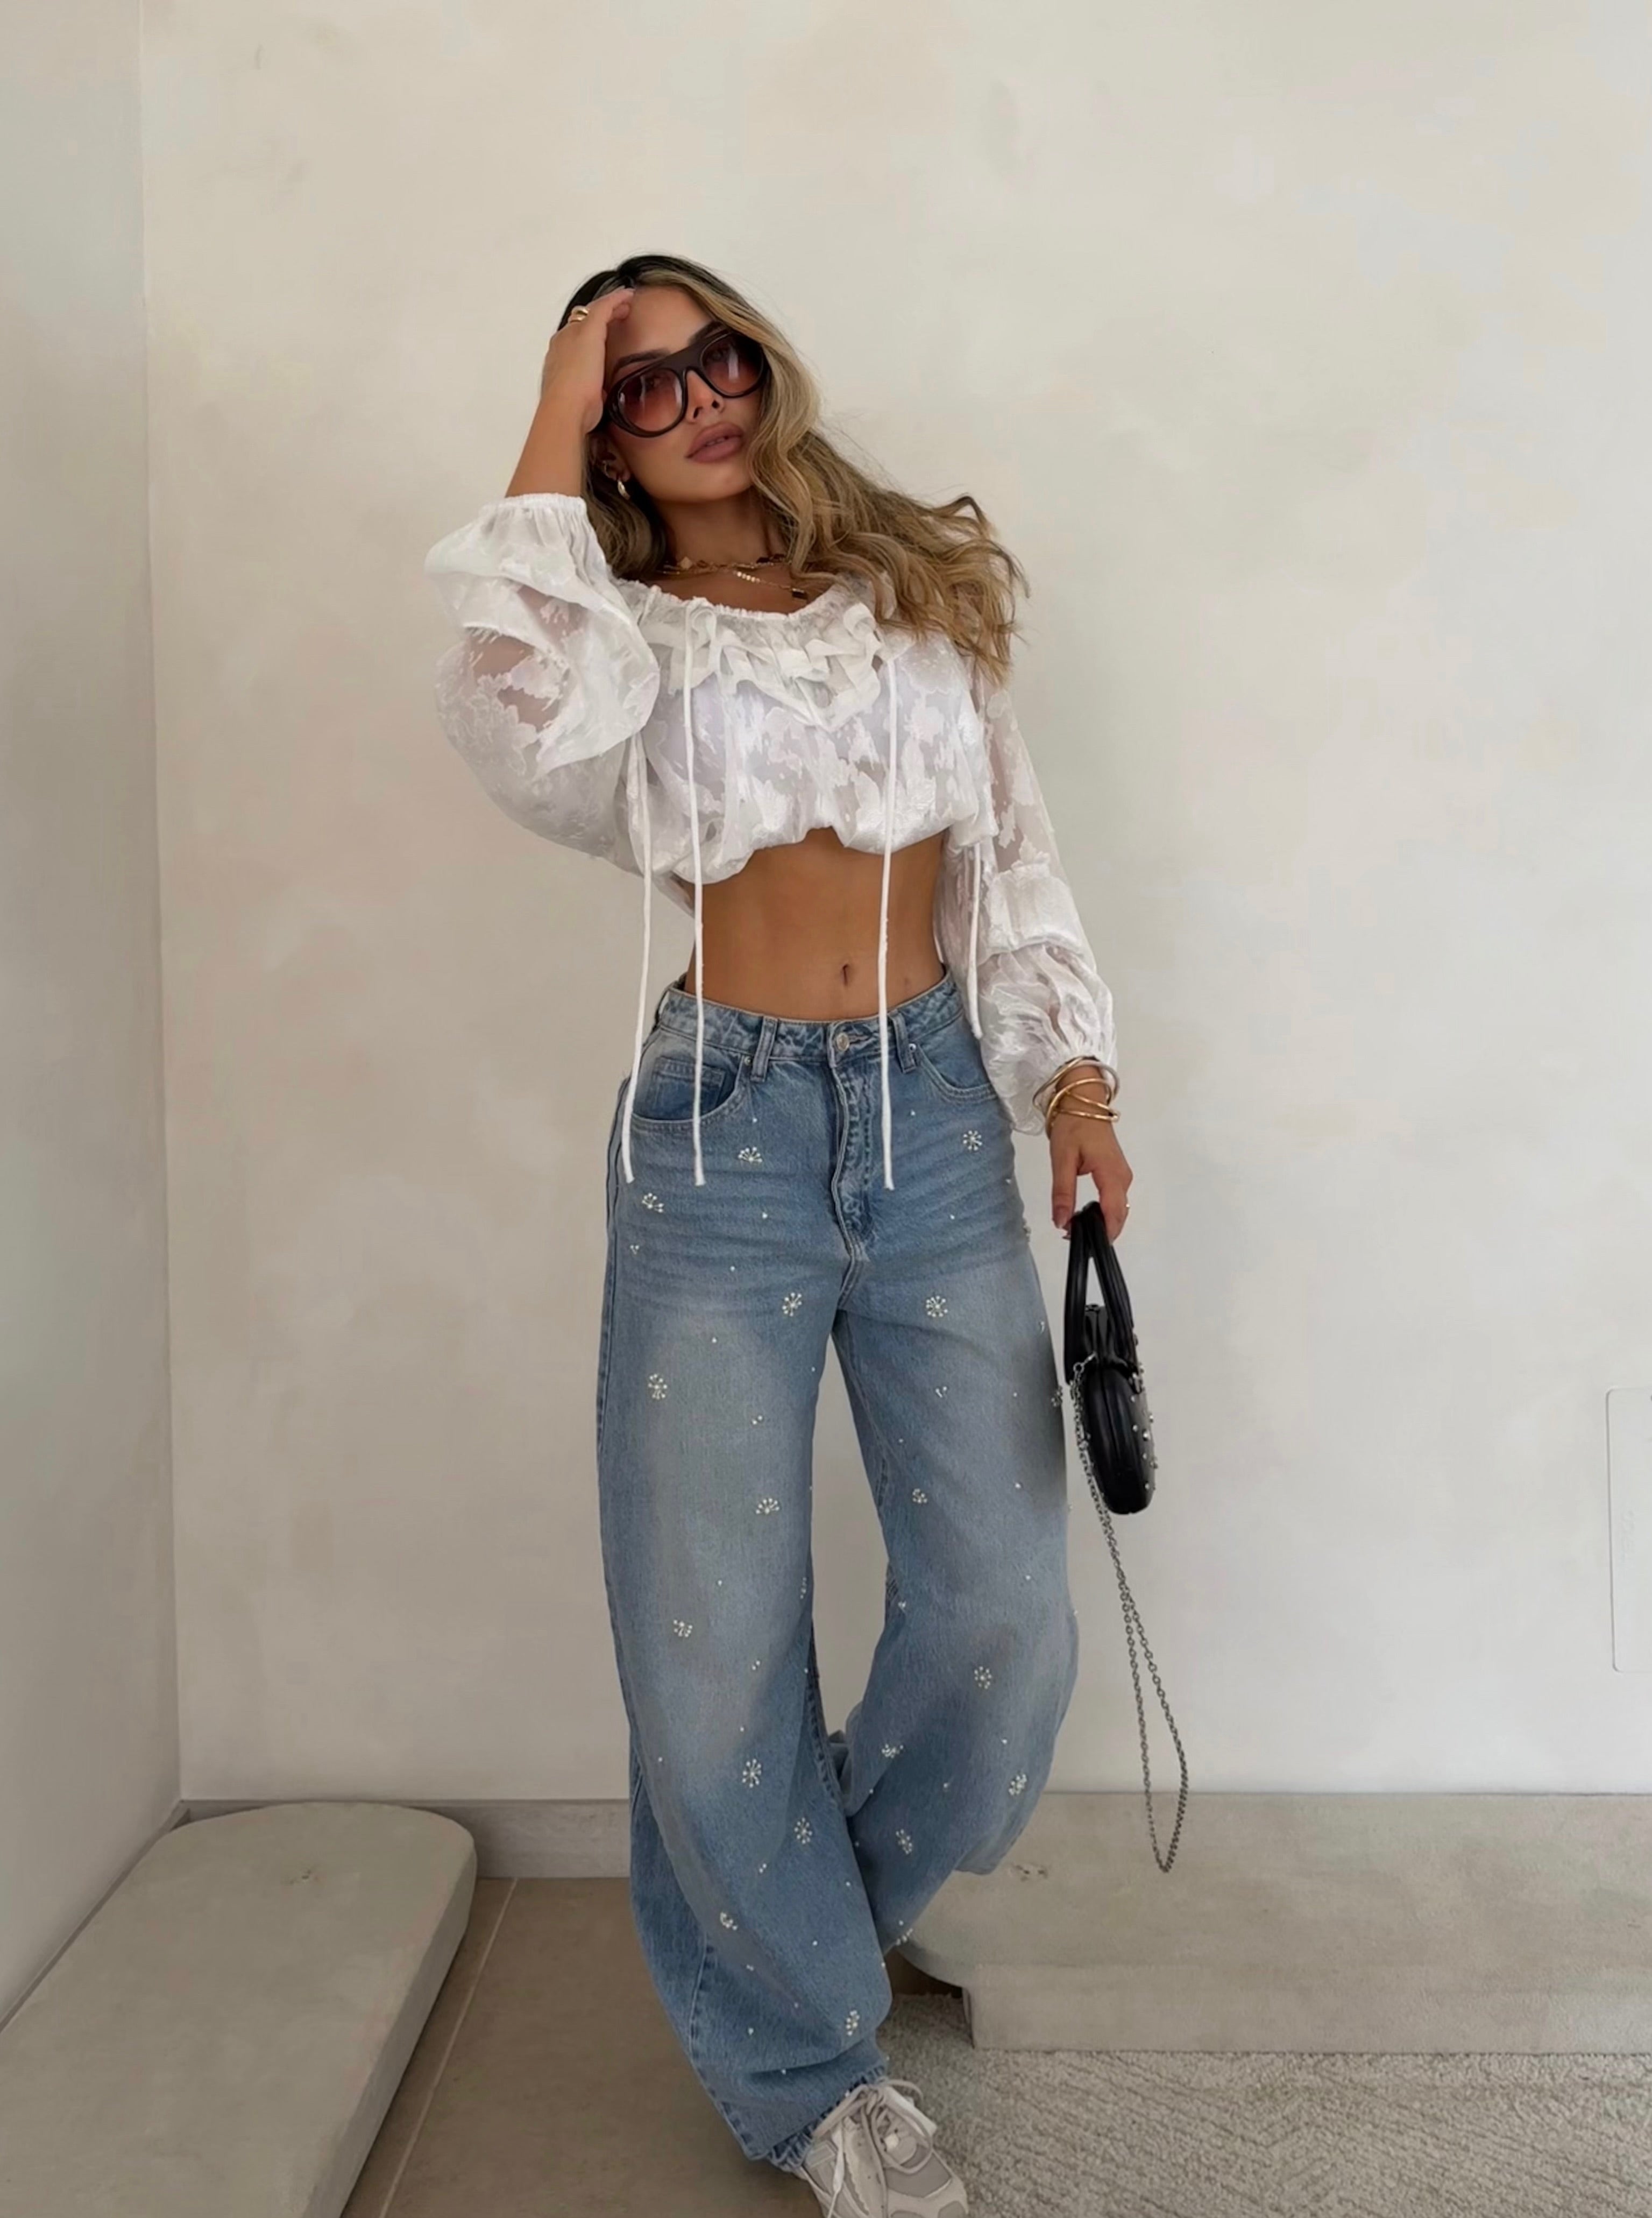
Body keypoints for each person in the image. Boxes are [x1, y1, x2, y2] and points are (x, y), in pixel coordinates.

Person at [423, 251, 1132, 2217]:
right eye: (640, 385)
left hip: (933, 1123)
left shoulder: (913, 595)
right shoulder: (616, 640)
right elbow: (507, 714)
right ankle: (818, 2068)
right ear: (601, 437)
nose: (701, 400)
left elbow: (1012, 857)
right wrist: (553, 395)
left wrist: (1076, 1086)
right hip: (718, 1136)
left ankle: (807, 1911)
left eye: (715, 356)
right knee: (710, 1641)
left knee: (1003, 1615)